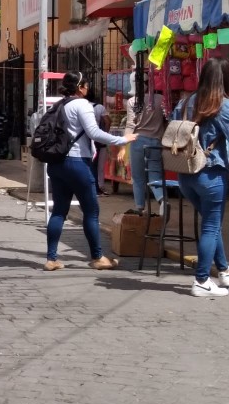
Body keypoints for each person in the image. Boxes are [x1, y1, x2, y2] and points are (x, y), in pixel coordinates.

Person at [43, 71, 135, 272]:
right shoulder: (82, 105)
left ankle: (51, 258)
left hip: (57, 163)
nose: (87, 88)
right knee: (91, 212)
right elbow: (94, 133)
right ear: (79, 87)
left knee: (59, 211)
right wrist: (122, 140)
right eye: (85, 84)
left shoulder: (59, 105)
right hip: (77, 162)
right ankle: (98, 257)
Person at [171, 58, 229, 297]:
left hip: (186, 175)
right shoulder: (223, 105)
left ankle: (224, 271)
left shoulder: (186, 102)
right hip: (212, 175)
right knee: (211, 226)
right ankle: (202, 280)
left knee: (210, 224)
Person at [117, 84, 166, 215]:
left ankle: (140, 208)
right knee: (155, 175)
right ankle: (162, 200)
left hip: (137, 141)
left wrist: (123, 146)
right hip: (156, 142)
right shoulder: (161, 99)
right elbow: (167, 120)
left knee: (138, 178)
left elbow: (130, 125)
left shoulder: (133, 101)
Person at [87, 92, 111, 195]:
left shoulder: (83, 106)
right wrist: (105, 133)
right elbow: (107, 121)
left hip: (87, 138)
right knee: (100, 165)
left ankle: (91, 186)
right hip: (98, 139)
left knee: (90, 164)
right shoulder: (100, 107)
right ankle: (99, 186)